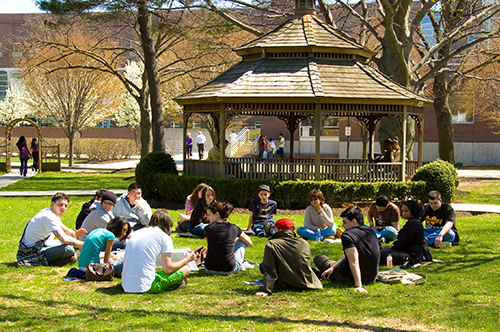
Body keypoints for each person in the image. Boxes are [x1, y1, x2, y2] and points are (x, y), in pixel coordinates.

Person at [121, 209, 197, 293]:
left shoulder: (136, 233)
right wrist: (187, 259)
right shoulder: (164, 237)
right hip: (146, 286)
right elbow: (168, 269)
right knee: (186, 269)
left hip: (125, 284)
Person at [314, 206, 380, 293]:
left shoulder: (347, 235)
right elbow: (350, 253)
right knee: (331, 266)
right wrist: (333, 267)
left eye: (344, 222)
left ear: (353, 221)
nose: (343, 226)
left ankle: (320, 275)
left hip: (349, 277)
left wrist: (358, 285)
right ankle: (328, 272)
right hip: (370, 279)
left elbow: (353, 260)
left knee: (319, 258)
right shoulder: (370, 231)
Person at [255, 218, 323, 296]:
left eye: (275, 229)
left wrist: (267, 290)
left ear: (279, 230)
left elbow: (270, 268)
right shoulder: (304, 243)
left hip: (284, 282)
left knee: (262, 265)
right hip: (306, 282)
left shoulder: (272, 244)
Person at [17, 192, 86, 267]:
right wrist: (85, 244)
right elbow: (64, 239)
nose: (63, 207)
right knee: (68, 248)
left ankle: (71, 257)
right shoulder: (48, 216)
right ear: (53, 204)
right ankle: (63, 259)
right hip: (32, 252)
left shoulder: (50, 212)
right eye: (60, 204)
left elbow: (64, 229)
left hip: (42, 245)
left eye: (65, 206)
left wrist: (75, 234)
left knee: (67, 246)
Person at [203, 201, 253, 275]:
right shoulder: (233, 228)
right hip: (230, 269)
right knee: (240, 241)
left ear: (217, 214)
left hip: (209, 269)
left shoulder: (207, 229)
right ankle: (241, 262)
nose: (208, 218)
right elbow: (249, 243)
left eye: (209, 215)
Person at [379, 200, 426, 267]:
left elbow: (404, 242)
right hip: (405, 250)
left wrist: (392, 249)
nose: (404, 213)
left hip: (411, 255)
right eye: (402, 211)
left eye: (406, 211)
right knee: (381, 248)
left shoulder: (414, 223)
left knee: (380, 253)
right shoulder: (413, 222)